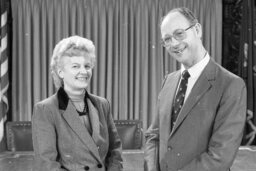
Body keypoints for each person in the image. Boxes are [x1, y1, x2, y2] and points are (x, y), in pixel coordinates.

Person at [144, 7, 247, 171]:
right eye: (167, 39)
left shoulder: (231, 85)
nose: (174, 44)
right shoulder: (168, 81)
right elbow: (153, 135)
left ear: (197, 30)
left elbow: (219, 158)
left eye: (179, 34)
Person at [32, 36, 123, 171]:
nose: (84, 71)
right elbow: (47, 164)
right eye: (75, 66)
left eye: (87, 66)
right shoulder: (45, 109)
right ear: (60, 72)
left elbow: (115, 150)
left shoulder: (102, 104)